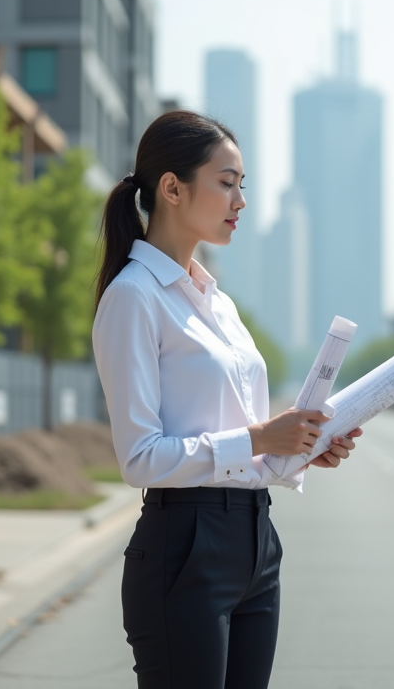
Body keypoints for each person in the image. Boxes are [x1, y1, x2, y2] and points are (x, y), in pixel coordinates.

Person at [92, 110, 362, 689]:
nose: (240, 201)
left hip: (256, 543)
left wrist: (299, 448)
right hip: (184, 548)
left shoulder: (220, 305)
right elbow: (140, 458)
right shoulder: (133, 298)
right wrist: (262, 437)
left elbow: (241, 445)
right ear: (171, 187)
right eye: (226, 182)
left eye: (243, 185)